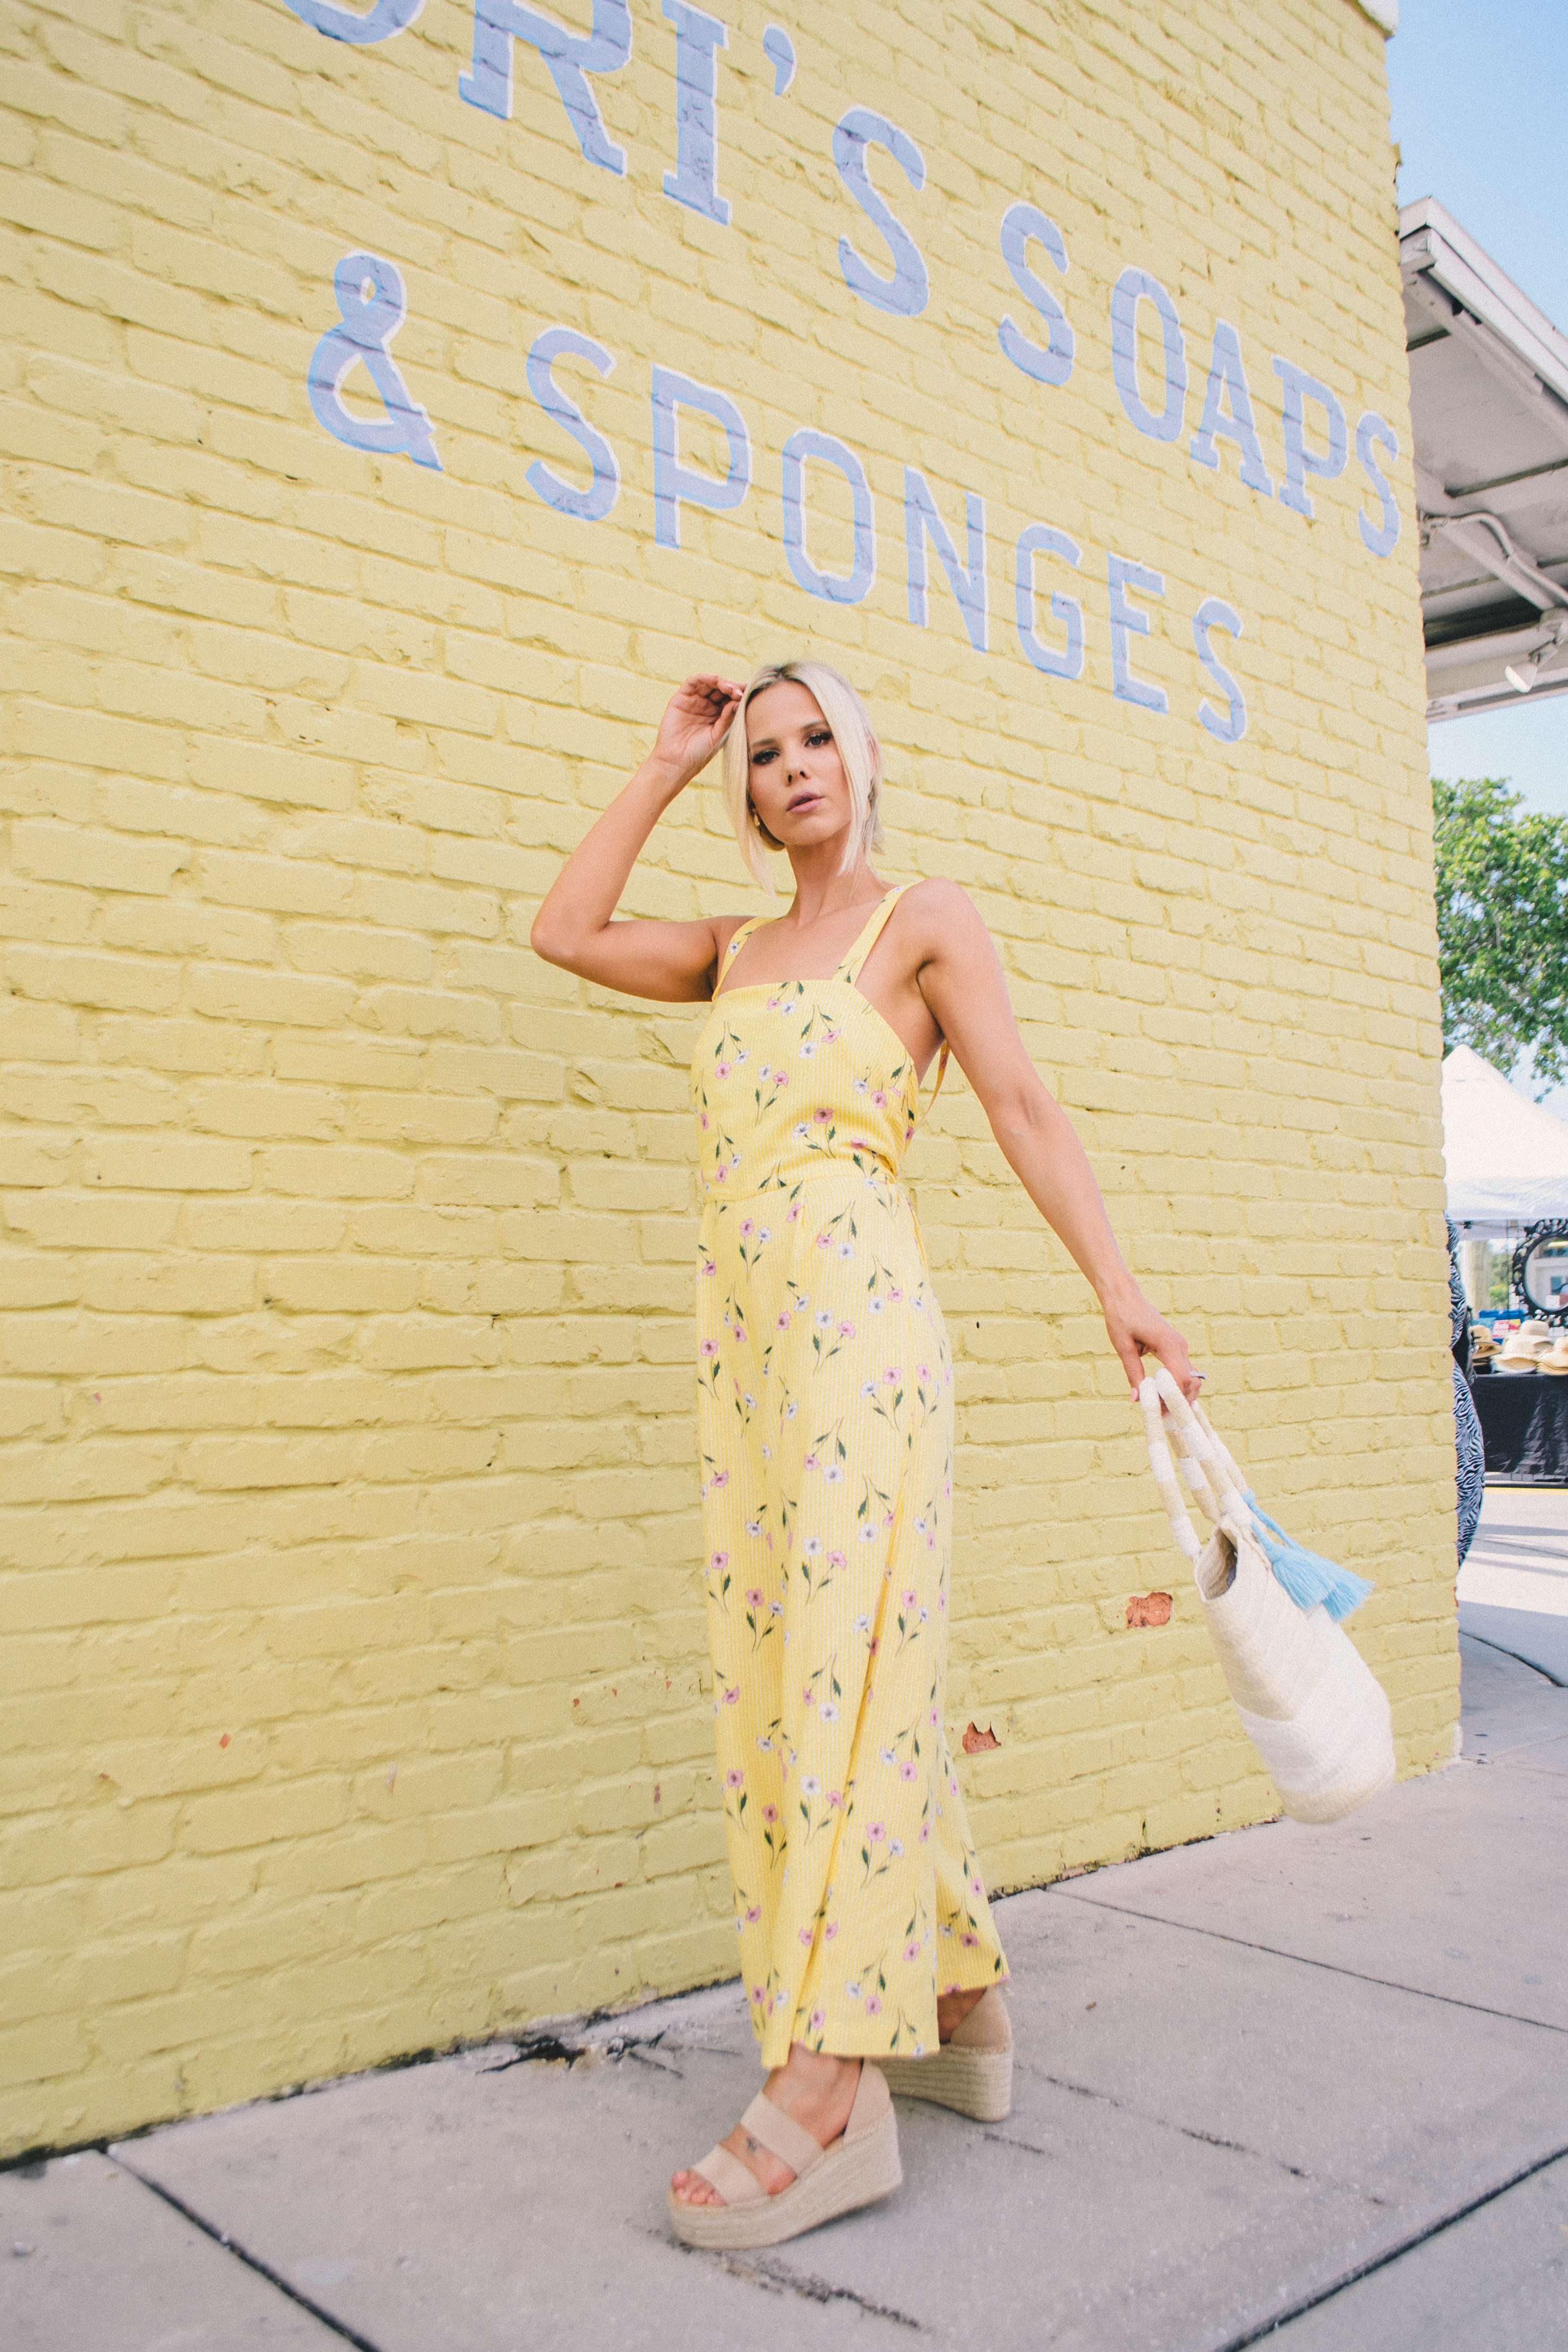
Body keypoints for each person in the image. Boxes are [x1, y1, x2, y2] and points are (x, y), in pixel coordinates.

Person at [531, 659, 1200, 2250]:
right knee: (796, 1678)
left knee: (847, 1676)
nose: (792, 767)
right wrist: (663, 760)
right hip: (746, 1356)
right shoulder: (734, 949)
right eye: (764, 755)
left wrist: (1123, 1294)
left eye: (816, 736)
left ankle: (831, 2093)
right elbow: (563, 931)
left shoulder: (924, 921)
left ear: (865, 755)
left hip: (866, 1340)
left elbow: (1025, 1103)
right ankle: (963, 1999)